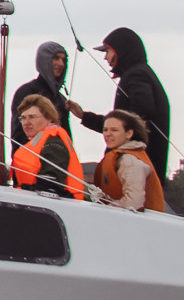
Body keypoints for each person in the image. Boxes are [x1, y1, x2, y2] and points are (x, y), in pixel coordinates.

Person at [65, 27, 171, 185]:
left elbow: (141, 113)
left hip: (136, 170)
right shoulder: (139, 73)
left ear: (121, 51)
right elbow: (122, 123)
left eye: (107, 51)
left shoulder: (136, 75)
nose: (105, 58)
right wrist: (84, 116)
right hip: (140, 168)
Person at [10, 93, 87, 199]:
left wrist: (21, 191)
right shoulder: (38, 143)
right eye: (23, 118)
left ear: (49, 118)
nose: (26, 122)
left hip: (59, 209)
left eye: (32, 117)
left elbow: (51, 186)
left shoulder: (54, 144)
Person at [90, 110, 165, 212]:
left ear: (129, 133)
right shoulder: (122, 157)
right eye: (105, 130)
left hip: (139, 224)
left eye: (114, 130)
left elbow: (134, 202)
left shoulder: (130, 160)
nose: (108, 134)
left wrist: (106, 210)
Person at [9, 40, 72, 153]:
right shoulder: (26, 92)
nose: (61, 64)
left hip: (59, 162)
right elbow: (18, 133)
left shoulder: (61, 99)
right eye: (56, 58)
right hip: (32, 162)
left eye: (64, 60)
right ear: (44, 60)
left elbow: (67, 137)